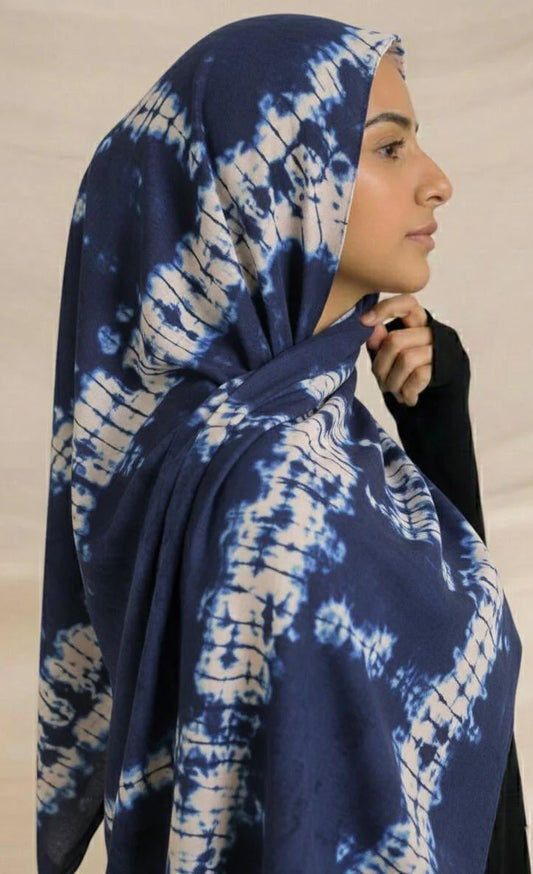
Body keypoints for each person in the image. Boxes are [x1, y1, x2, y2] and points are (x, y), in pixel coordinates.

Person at [36, 13, 528, 873]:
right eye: (388, 148)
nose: (436, 181)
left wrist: (437, 422)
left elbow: (452, 709)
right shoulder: (272, 489)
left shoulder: (308, 427)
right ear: (269, 185)